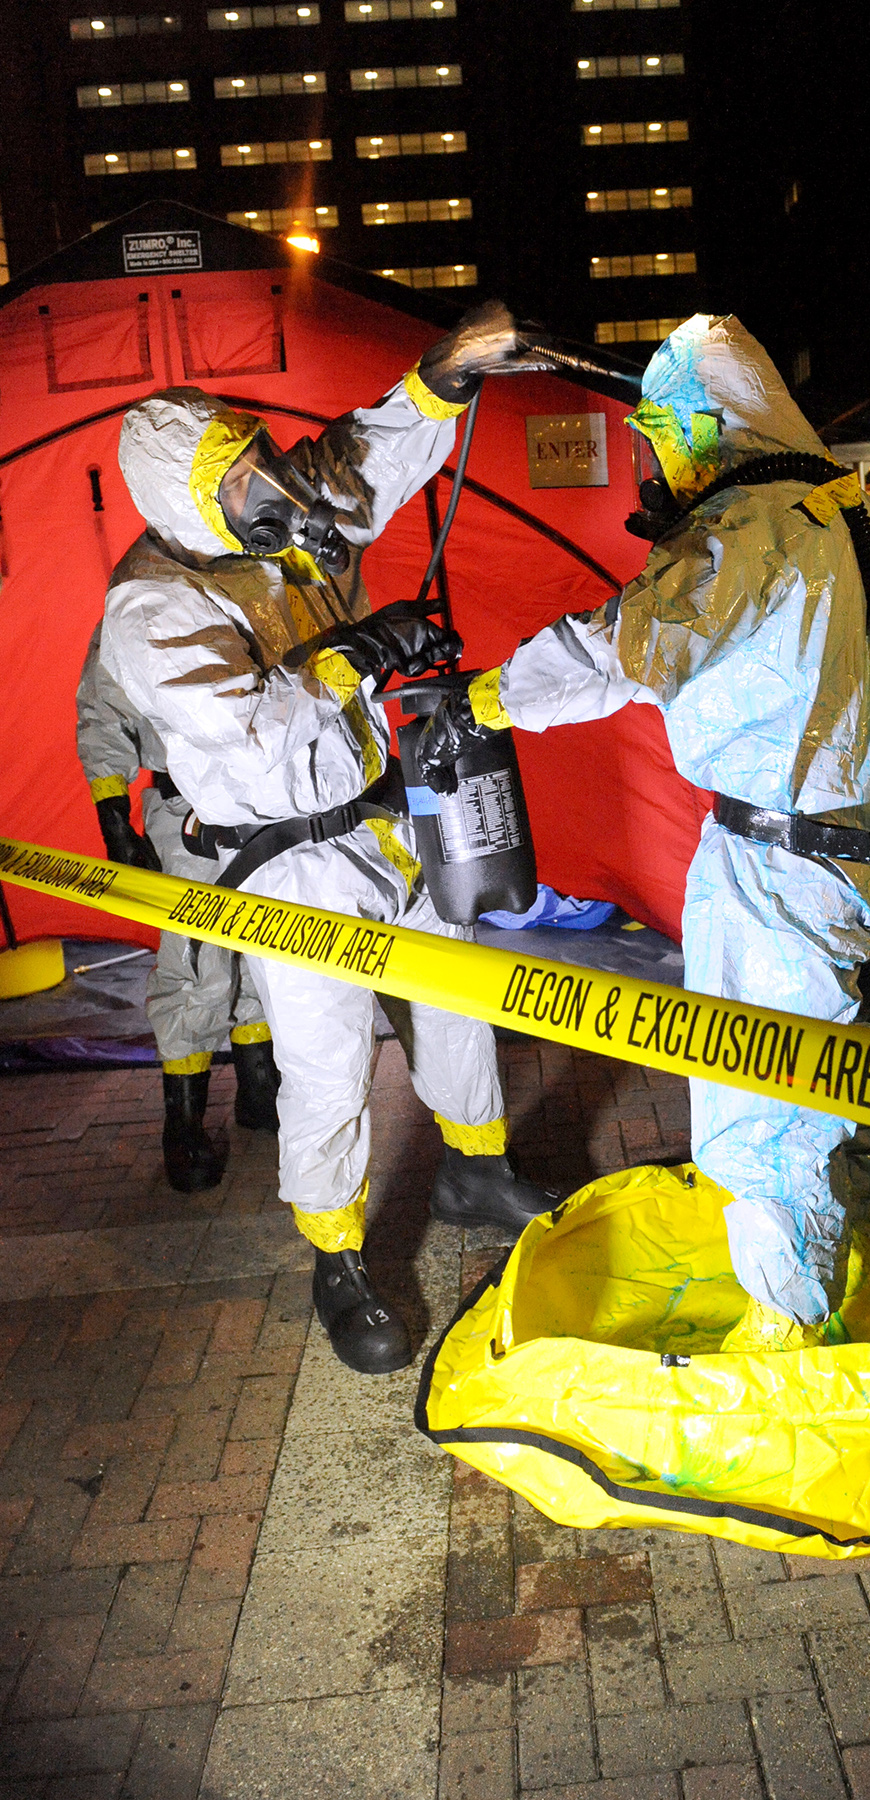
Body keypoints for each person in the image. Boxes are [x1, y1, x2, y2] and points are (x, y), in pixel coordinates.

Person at [418, 313, 870, 1330]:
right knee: (869, 1101)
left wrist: (490, 699)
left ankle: (793, 1345)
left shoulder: (744, 530)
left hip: (776, 872)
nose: (663, 461)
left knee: (763, 1114)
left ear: (708, 427)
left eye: (667, 435)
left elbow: (625, 645)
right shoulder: (856, 519)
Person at [99, 303, 552, 1375]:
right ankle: (337, 1256)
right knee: (325, 1060)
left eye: (259, 460)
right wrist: (352, 653)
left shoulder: (272, 519)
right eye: (246, 482)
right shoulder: (149, 609)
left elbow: (357, 462)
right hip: (288, 868)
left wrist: (443, 373)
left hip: (383, 828)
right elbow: (250, 734)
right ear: (186, 502)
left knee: (459, 999)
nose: (275, 490)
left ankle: (476, 1166)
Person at [77, 623, 280, 1191]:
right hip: (186, 803)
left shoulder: (256, 577)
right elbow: (102, 706)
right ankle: (182, 1124)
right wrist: (114, 815)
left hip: (263, 799)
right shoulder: (141, 598)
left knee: (263, 944)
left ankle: (259, 1087)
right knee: (198, 963)